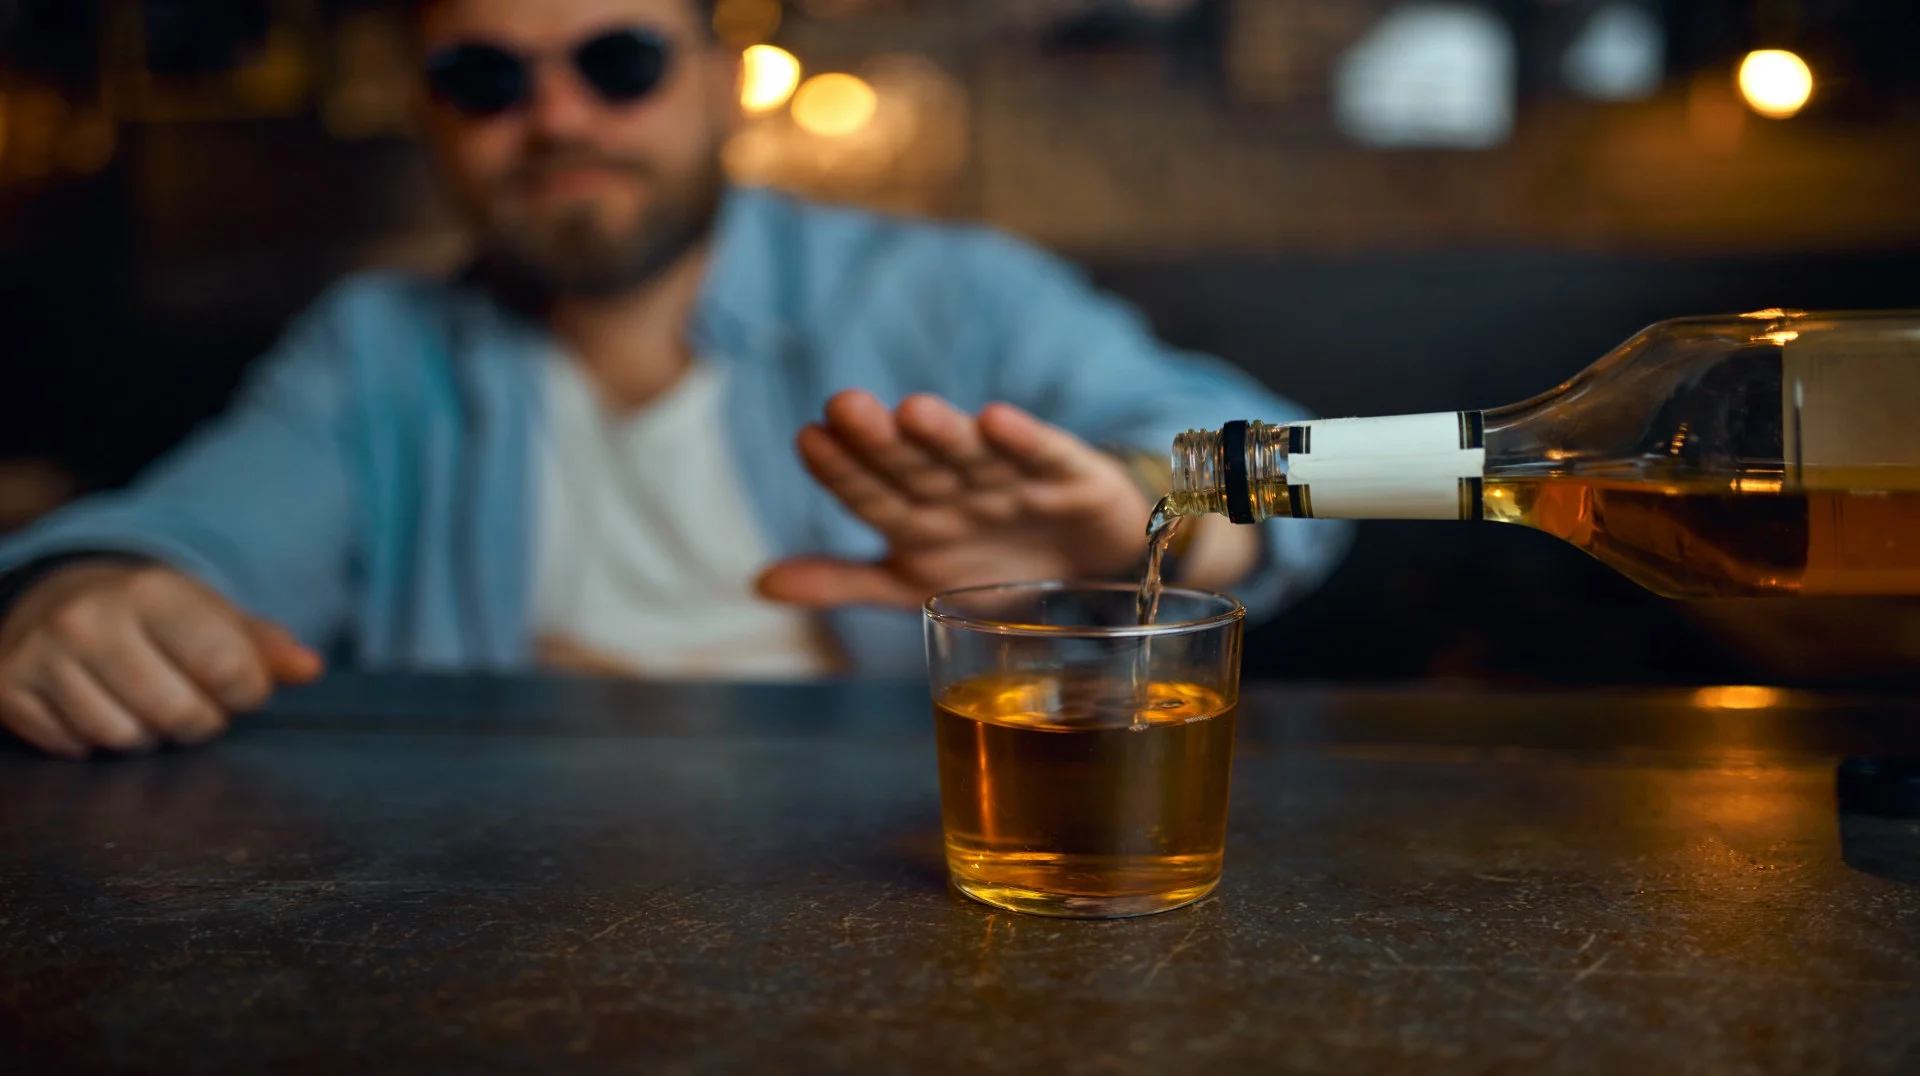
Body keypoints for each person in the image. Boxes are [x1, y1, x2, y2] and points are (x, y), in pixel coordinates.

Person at [0, 0, 1350, 759]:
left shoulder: (939, 287)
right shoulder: (377, 347)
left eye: (619, 62)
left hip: (903, 865)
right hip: (490, 906)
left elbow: (1289, 462)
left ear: (720, 82)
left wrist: (1136, 510)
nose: (558, 119)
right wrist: (87, 599)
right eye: (484, 78)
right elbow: (194, 540)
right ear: (432, 118)